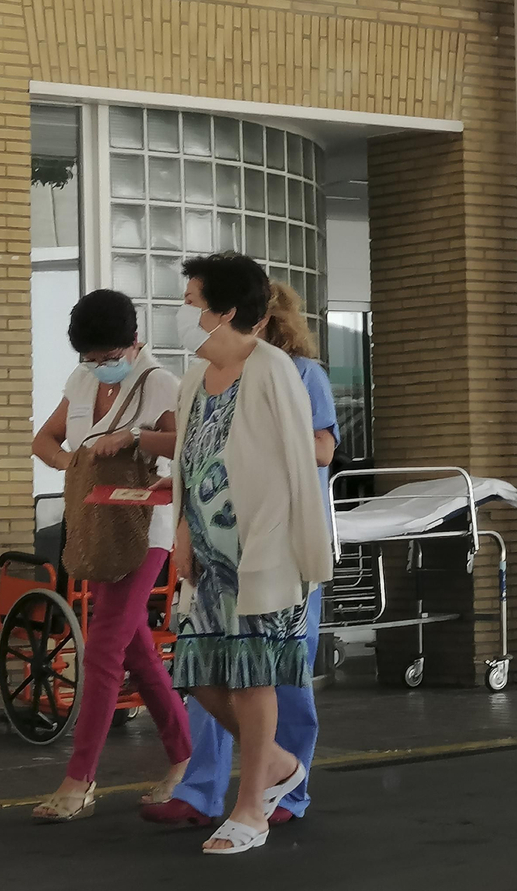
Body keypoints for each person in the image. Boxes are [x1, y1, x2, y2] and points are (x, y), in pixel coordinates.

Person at [145, 281, 337, 830]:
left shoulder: (297, 374)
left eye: (196, 306)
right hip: (216, 549)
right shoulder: (199, 379)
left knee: (279, 675)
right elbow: (195, 454)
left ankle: (281, 790)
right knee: (207, 669)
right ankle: (208, 788)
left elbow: (321, 449)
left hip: (277, 547)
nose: (189, 317)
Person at [28, 290, 191, 822]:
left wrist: (133, 438)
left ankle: (80, 779)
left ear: (133, 343)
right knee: (134, 648)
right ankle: (186, 757)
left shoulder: (161, 381)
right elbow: (44, 440)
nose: (101, 368)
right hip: (97, 529)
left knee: (101, 647)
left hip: (147, 529)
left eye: (108, 357)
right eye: (92, 359)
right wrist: (72, 460)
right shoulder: (80, 382)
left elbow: (185, 446)